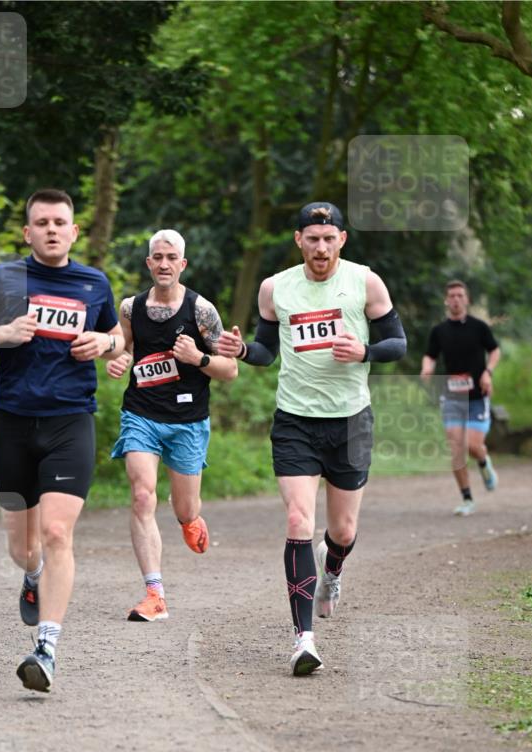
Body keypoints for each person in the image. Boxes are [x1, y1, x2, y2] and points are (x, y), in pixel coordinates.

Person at [217, 202, 406, 676]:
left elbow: (397, 343)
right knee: (298, 519)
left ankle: (333, 572)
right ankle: (304, 640)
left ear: (342, 239)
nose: (320, 246)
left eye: (329, 238)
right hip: (295, 421)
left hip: (350, 420)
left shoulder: (365, 282)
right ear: (298, 240)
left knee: (341, 532)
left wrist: (363, 349)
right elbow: (263, 350)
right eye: (312, 238)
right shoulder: (275, 288)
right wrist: (241, 349)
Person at [0, 188, 124, 693]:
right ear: (28, 232)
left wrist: (107, 344)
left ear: (73, 231)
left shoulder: (93, 283)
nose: (51, 229)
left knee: (57, 533)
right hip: (13, 423)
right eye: (41, 222)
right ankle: (33, 577)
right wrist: (0, 333)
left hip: (71, 422)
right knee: (24, 548)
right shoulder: (6, 279)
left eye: (60, 222)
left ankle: (46, 648)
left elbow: (121, 341)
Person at [106, 229, 238, 621]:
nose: (164, 264)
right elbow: (123, 344)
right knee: (142, 495)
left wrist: (198, 357)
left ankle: (189, 517)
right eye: (157, 257)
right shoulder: (131, 308)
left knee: (184, 509)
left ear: (183, 264)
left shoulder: (202, 311)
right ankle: (154, 594)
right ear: (148, 263)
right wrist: (117, 359)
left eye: (171, 258)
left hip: (187, 422)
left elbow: (229, 370)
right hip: (141, 414)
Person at [421, 280, 500, 516]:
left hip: (477, 396)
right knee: (456, 449)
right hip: (452, 398)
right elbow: (430, 355)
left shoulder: (479, 327)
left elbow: (494, 351)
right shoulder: (439, 331)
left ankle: (484, 462)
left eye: (460, 295)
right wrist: (427, 369)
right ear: (447, 300)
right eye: (452, 296)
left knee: (473, 446)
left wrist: (488, 372)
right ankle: (467, 499)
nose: (455, 299)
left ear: (467, 299)